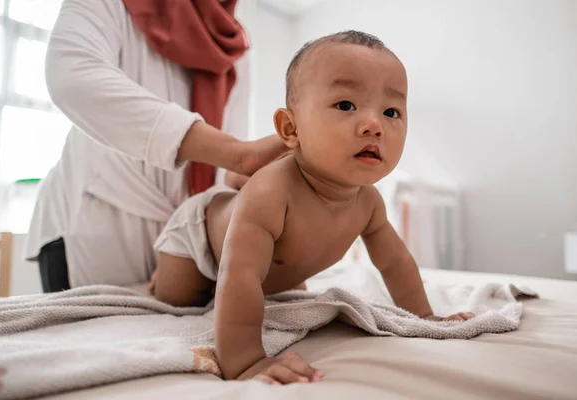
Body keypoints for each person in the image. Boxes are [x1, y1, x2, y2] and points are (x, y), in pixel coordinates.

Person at [149, 30, 476, 385]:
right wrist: (246, 361)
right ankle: (166, 268)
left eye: (391, 111)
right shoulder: (272, 190)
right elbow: (239, 275)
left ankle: (240, 200)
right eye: (346, 105)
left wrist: (424, 317)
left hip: (269, 257)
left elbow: (395, 263)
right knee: (180, 298)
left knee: (279, 289)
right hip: (198, 237)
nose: (374, 126)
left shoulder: (368, 201)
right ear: (290, 128)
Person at [24, 0, 287, 293]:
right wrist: (235, 154)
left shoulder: (235, 50)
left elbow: (221, 172)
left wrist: (185, 240)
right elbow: (72, 75)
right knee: (80, 336)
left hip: (175, 241)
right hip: (90, 222)